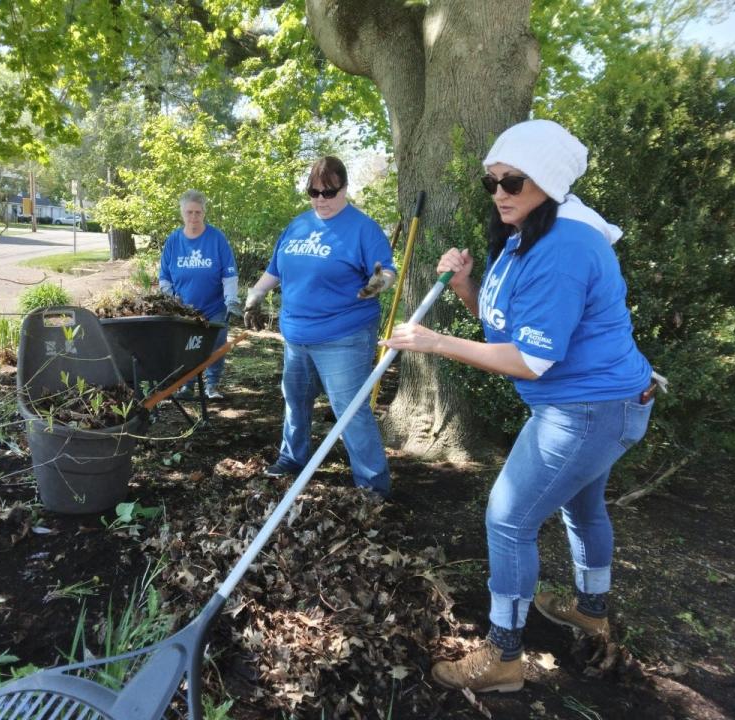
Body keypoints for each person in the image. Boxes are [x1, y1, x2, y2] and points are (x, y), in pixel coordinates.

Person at [382, 119, 660, 692]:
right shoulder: (526, 235)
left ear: (550, 184)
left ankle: (503, 656)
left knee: (507, 519)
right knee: (582, 508)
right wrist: (464, 287)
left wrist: (434, 342)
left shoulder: (564, 247)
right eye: (493, 183)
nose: (501, 194)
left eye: (515, 182)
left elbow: (531, 361)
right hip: (598, 404)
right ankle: (591, 608)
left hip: (587, 409)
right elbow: (512, 327)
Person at [244, 156, 397, 498]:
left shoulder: (362, 228)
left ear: (344, 188)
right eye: (313, 192)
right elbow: (276, 269)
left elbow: (386, 272)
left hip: (343, 337)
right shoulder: (297, 226)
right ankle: (292, 458)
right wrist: (255, 294)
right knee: (295, 400)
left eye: (328, 192)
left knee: (350, 412)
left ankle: (372, 484)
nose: (320, 200)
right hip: (296, 336)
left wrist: (377, 285)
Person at [159, 189, 241, 400]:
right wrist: (171, 302)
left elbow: (229, 273)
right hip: (184, 308)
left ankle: (211, 386)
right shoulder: (173, 241)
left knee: (215, 347)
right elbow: (165, 277)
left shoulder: (216, 239)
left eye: (198, 212)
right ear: (182, 213)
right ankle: (187, 386)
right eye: (189, 212)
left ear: (204, 212)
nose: (193, 217)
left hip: (214, 307)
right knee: (186, 348)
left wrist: (231, 299)